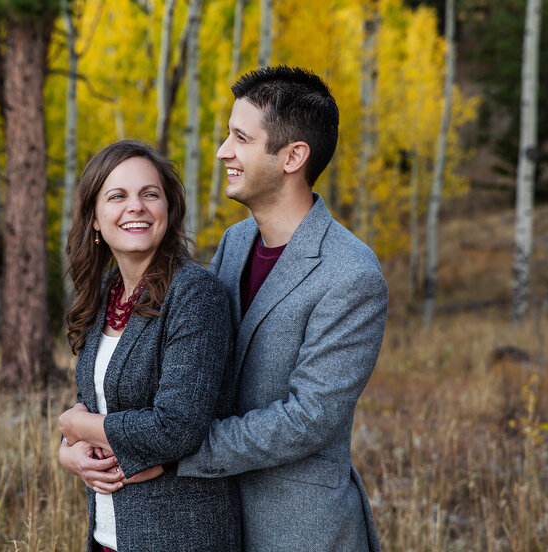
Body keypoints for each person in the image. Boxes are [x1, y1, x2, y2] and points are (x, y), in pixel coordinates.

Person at [172, 66, 389, 551]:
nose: (223, 151)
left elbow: (308, 418)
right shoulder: (235, 242)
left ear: (293, 156)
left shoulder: (351, 273)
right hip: (217, 519)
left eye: (240, 138)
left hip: (300, 529)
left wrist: (174, 451)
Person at [56, 140, 241, 552]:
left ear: (168, 211)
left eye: (149, 194)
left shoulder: (195, 294)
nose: (135, 206)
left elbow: (177, 428)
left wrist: (77, 427)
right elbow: (93, 400)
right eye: (117, 196)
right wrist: (67, 453)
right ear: (96, 221)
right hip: (108, 532)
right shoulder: (105, 292)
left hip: (179, 534)